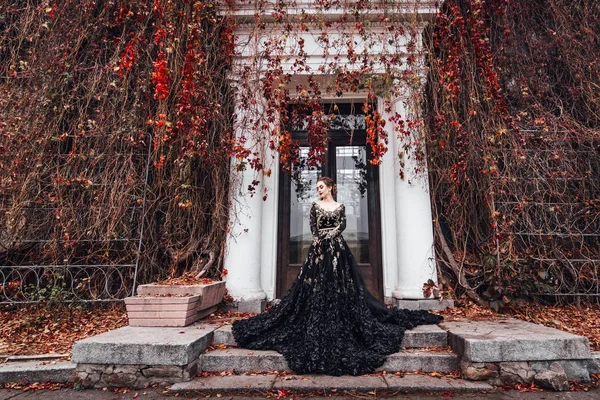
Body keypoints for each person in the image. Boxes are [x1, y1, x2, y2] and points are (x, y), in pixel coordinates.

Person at [232, 176, 442, 376]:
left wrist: (332, 235)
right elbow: (313, 226)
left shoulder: (340, 206)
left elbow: (342, 224)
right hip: (319, 249)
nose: (318, 190)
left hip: (337, 249)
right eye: (317, 188)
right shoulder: (315, 206)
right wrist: (319, 239)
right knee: (314, 283)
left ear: (330, 187)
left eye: (321, 187)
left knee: (341, 281)